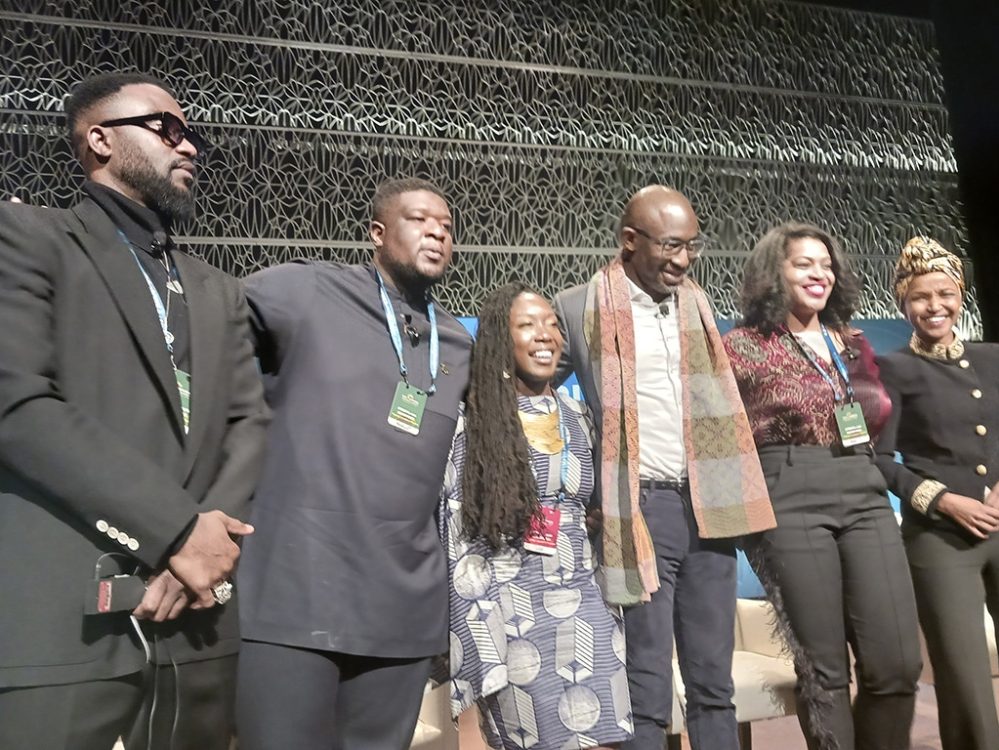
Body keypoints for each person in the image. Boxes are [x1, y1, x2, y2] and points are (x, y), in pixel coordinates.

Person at [0, 72, 270, 750]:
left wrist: (204, 548)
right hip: (66, 628)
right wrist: (174, 531)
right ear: (99, 139)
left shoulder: (219, 290)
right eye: (166, 128)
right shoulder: (27, 237)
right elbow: (19, 405)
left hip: (198, 622)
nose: (190, 146)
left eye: (191, 133)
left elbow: (248, 424)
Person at [234, 177, 473, 749]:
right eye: (419, 220)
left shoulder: (457, 342)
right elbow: (199, 318)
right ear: (377, 233)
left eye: (446, 226)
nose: (437, 233)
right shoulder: (307, 291)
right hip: (294, 597)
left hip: (399, 607)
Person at [553, 185, 776, 750]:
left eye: (692, 246)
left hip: (709, 505)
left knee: (713, 680)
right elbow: (535, 396)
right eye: (671, 245)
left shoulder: (696, 306)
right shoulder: (578, 307)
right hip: (640, 509)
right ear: (630, 241)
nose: (683, 260)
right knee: (645, 679)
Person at [723, 222, 922, 750]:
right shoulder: (740, 346)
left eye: (827, 265)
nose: (820, 274)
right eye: (804, 264)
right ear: (774, 272)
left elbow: (876, 417)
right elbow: (718, 434)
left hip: (863, 486)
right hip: (788, 489)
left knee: (898, 662)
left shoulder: (853, 343)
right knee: (824, 670)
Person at [445, 282, 632, 749]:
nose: (545, 334)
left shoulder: (578, 415)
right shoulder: (474, 424)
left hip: (586, 601)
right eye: (527, 325)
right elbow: (460, 538)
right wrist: (482, 638)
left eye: (551, 324)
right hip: (516, 614)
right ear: (499, 340)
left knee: (606, 737)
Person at [874, 236, 999, 750]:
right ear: (903, 303)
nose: (934, 306)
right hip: (939, 539)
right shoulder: (891, 369)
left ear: (960, 296)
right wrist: (944, 500)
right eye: (921, 296)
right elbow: (879, 459)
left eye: (945, 294)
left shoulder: (993, 358)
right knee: (965, 676)